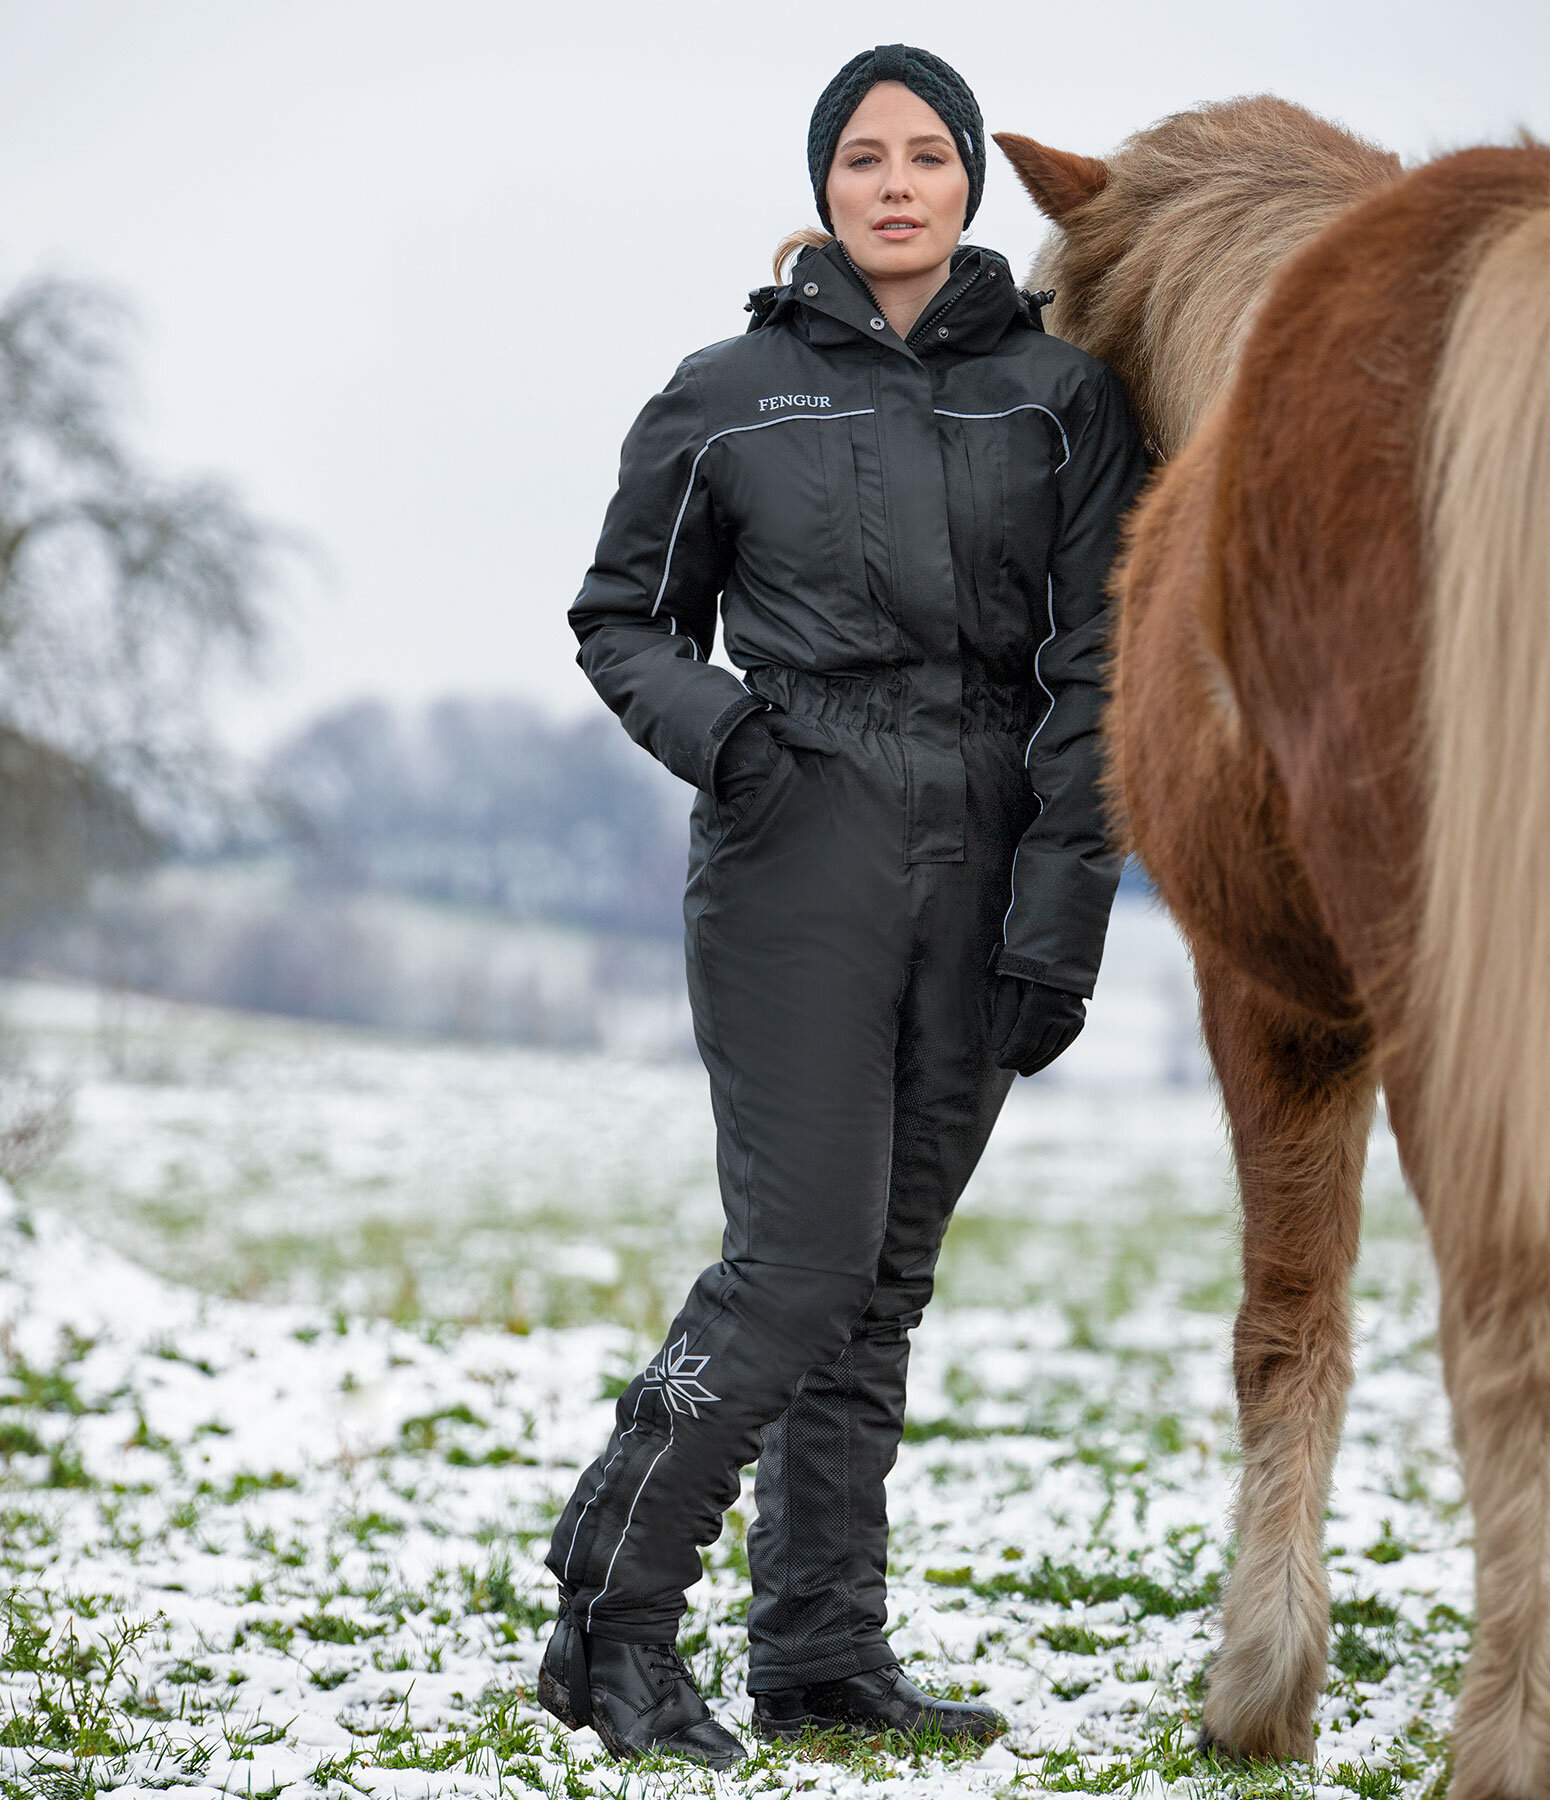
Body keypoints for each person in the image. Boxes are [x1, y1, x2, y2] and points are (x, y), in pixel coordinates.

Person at [538, 43, 1147, 1768]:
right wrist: (728, 740)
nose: (895, 181)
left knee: (880, 1286)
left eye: (928, 154)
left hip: (988, 860)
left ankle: (817, 1653)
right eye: (862, 156)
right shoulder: (726, 389)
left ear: (967, 185)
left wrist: (1063, 909)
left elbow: (1097, 668)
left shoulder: (1061, 397)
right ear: (822, 189)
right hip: (792, 847)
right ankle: (618, 1618)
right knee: (795, 1267)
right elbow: (618, 620)